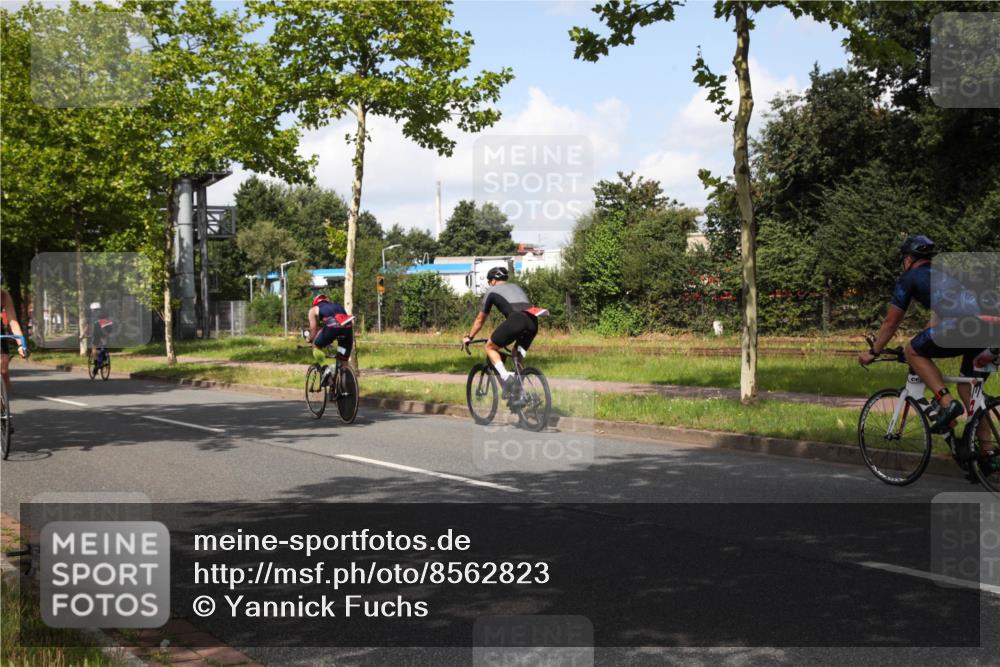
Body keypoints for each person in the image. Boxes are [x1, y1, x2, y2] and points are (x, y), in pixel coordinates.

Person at [858, 235, 990, 459]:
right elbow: (938, 318)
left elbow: (891, 321)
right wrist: (923, 335)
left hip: (961, 327)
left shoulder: (909, 277)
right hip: (989, 331)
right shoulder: (943, 275)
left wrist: (874, 351)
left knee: (912, 350)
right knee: (970, 391)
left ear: (909, 258)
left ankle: (947, 405)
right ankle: (988, 453)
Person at [462, 266, 545, 395]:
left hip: (517, 319)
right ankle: (519, 394)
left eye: (489, 282)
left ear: (493, 281)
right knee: (516, 355)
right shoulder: (517, 287)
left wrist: (470, 337)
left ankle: (507, 378)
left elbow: (480, 319)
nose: (490, 285)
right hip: (533, 321)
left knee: (490, 347)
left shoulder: (492, 291)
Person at [305, 294, 353, 369]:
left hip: (333, 326)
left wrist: (310, 339)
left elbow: (313, 329)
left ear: (315, 303)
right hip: (348, 327)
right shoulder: (338, 306)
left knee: (316, 345)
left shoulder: (313, 309)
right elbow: (342, 322)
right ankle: (346, 374)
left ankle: (324, 368)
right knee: (343, 360)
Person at [1, 275, 28, 393]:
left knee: (3, 369)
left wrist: (21, 344)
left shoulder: (4, 296)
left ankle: (3, 407)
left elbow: (13, 321)